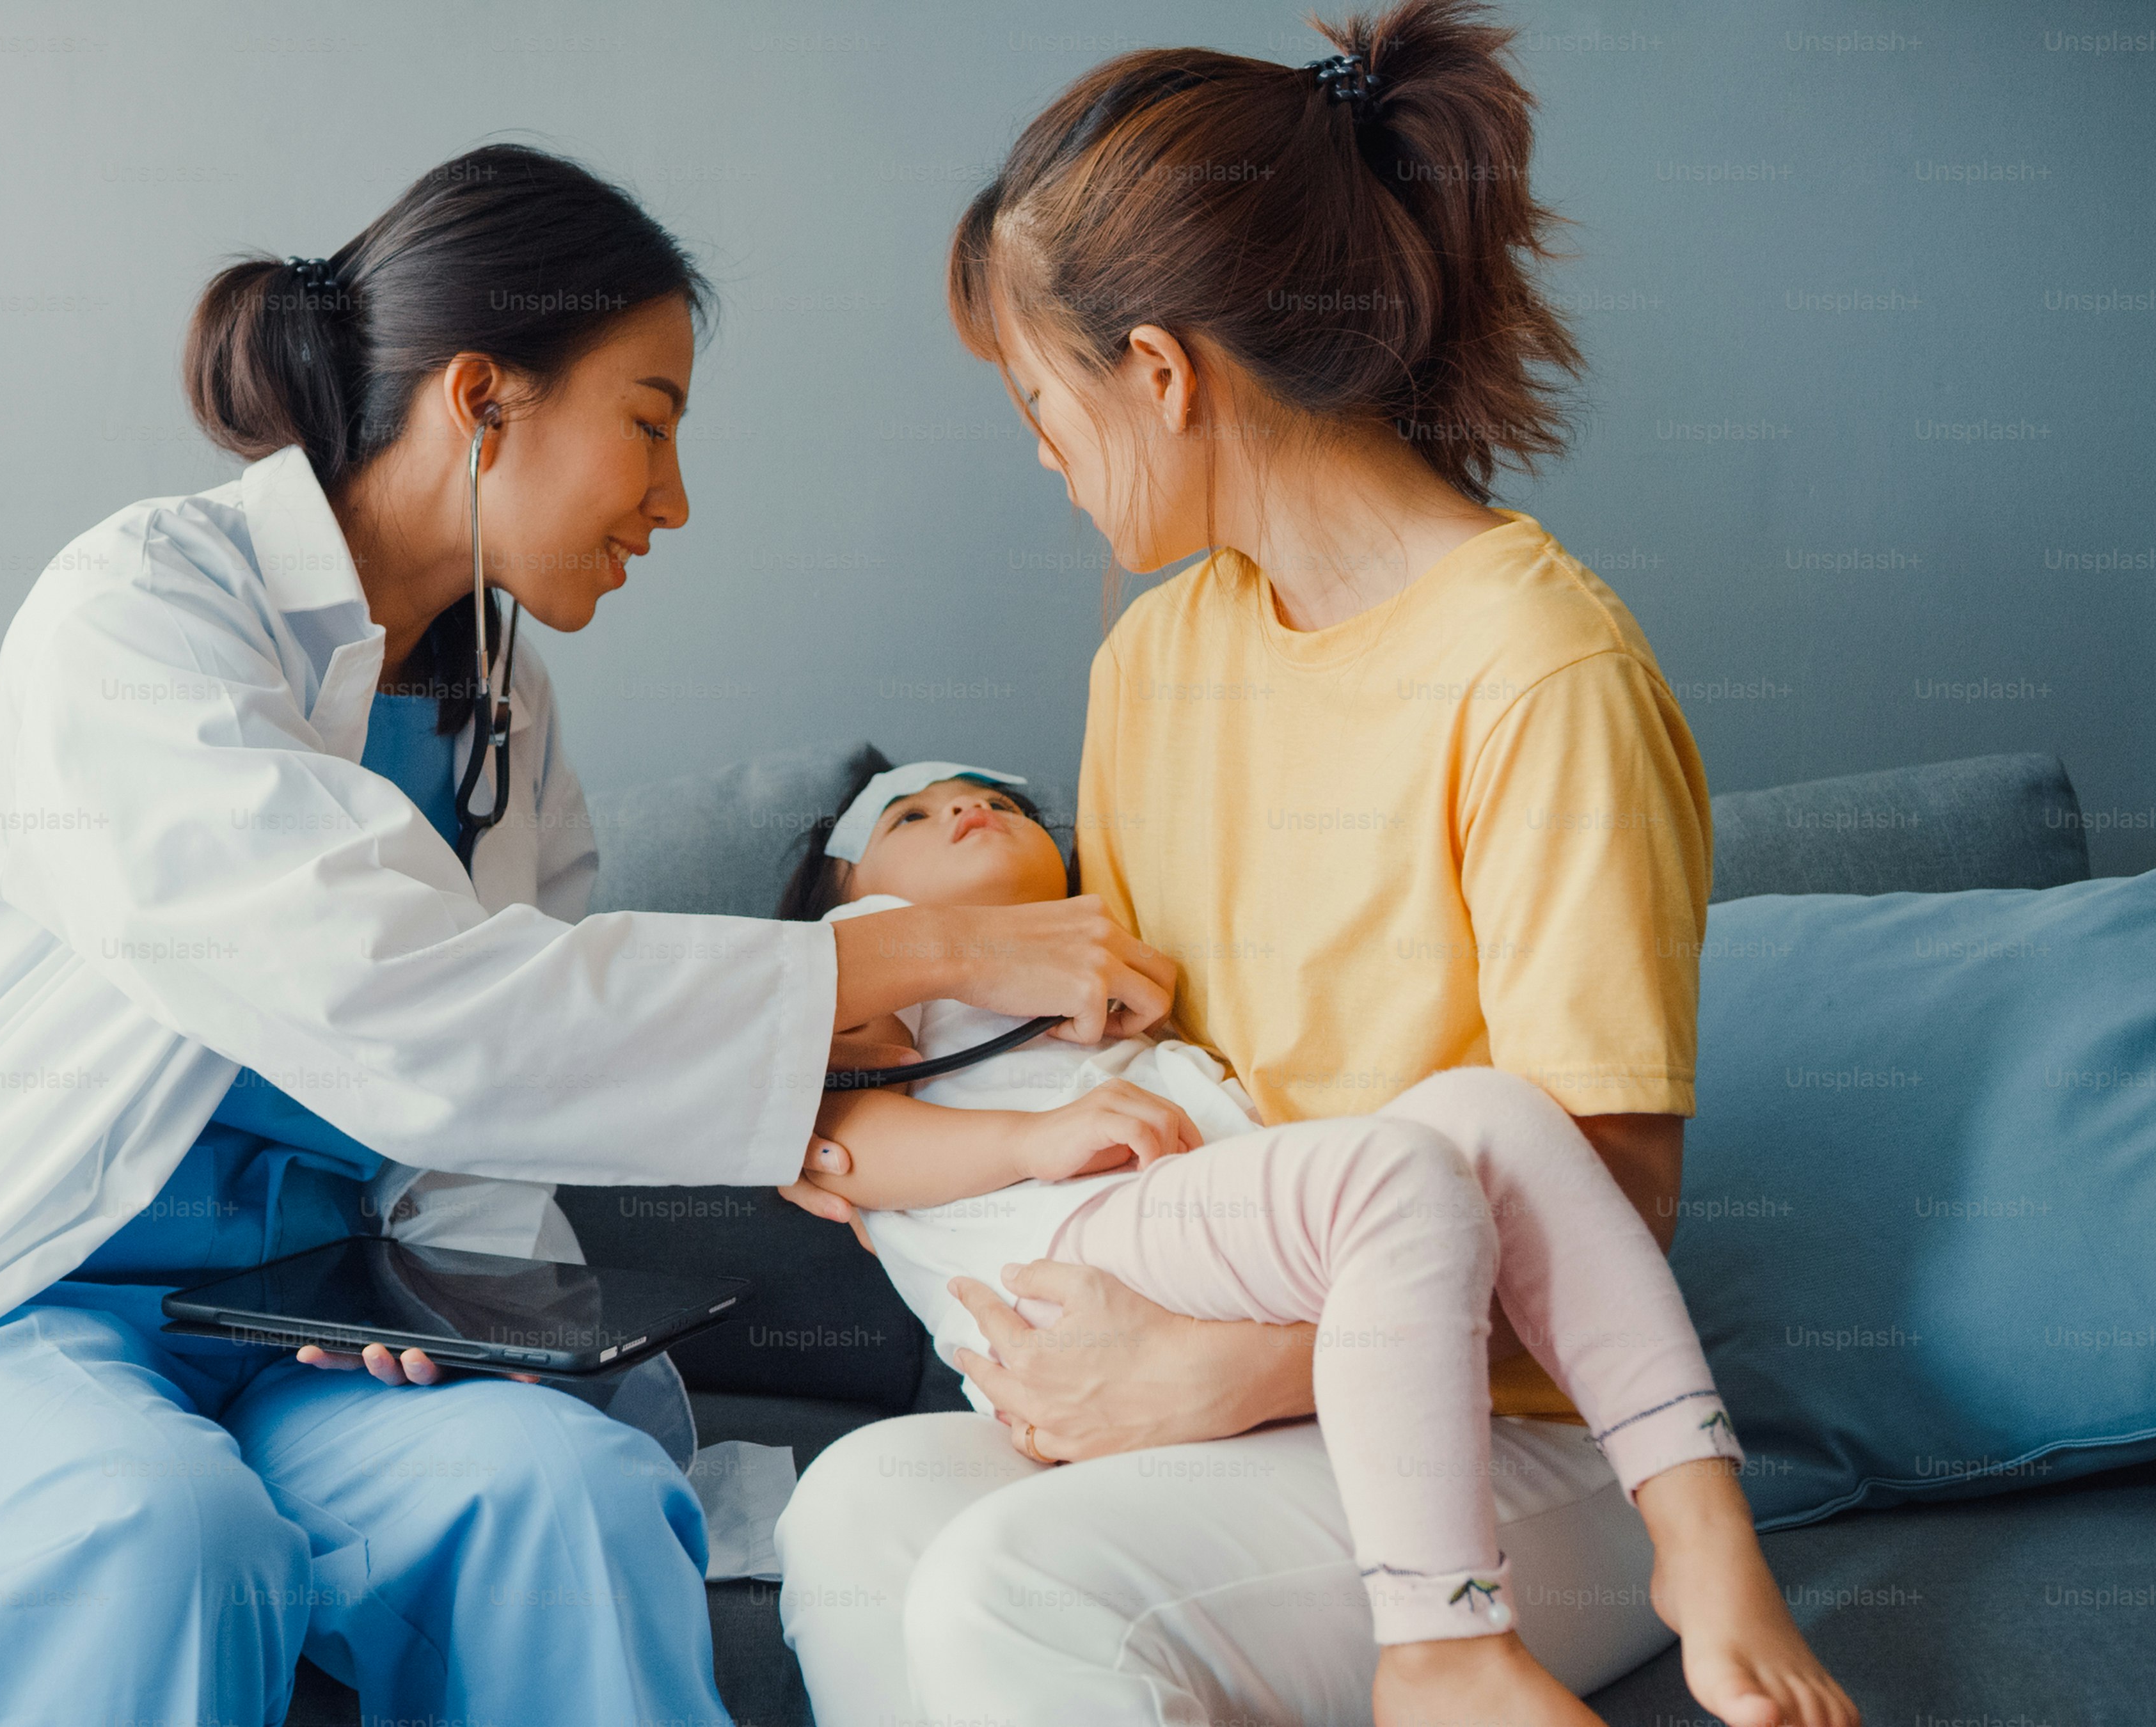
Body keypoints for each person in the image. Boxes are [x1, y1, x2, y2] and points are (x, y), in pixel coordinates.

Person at [0, 145, 1175, 1727]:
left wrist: (446, 1310)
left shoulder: (498, 697)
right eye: (649, 425)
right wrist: (923, 955)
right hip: (23, 1323)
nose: (672, 500)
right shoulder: (136, 612)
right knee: (152, 1537)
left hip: (310, 1337)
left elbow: (502, 1098)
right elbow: (390, 997)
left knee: (564, 1499)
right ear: (483, 400)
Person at [776, 6, 1855, 1723]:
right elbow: (1142, 1055)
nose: (1040, 457)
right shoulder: (1152, 660)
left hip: (1513, 1423)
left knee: (1019, 1584)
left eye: (1039, 402)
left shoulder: (1539, 668)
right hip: (1282, 1340)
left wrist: (1217, 1372)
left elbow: (1609, 1193)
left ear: (1160, 371)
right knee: (854, 1511)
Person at [779, 762, 1851, 1727]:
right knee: (1390, 1174)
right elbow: (846, 1140)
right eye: (911, 816)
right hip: (1064, 1242)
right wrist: (1033, 1134)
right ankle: (1443, 1646)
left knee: (1494, 1114)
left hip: (1182, 1241)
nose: (967, 808)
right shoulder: (883, 964)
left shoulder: (1090, 954)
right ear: (854, 893)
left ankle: (1696, 1520)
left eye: (998, 798)